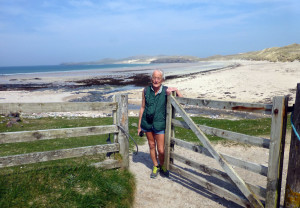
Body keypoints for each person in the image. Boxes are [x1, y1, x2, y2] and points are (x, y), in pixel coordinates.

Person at [138, 69, 182, 178]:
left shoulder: (167, 91)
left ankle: (162, 165)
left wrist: (176, 90)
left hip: (159, 124)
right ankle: (155, 165)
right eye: (154, 77)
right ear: (151, 78)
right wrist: (139, 126)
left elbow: (181, 101)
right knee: (151, 145)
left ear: (162, 79)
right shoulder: (145, 90)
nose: (156, 80)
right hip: (147, 123)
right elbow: (142, 107)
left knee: (161, 150)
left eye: (158, 78)